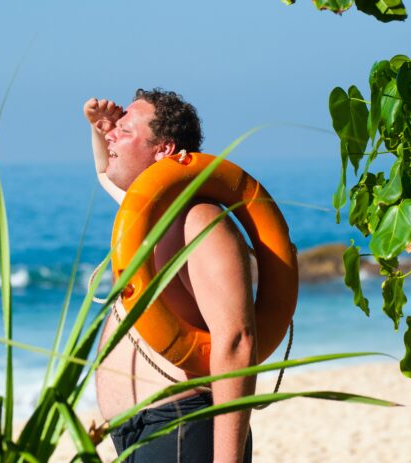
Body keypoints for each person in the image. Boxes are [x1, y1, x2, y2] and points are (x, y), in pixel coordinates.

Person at [85, 88, 256, 462]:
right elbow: (104, 172)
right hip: (137, 432)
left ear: (163, 150)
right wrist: (100, 128)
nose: (112, 135)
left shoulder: (197, 221)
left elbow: (237, 341)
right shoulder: (146, 217)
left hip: (182, 423)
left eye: (125, 131)